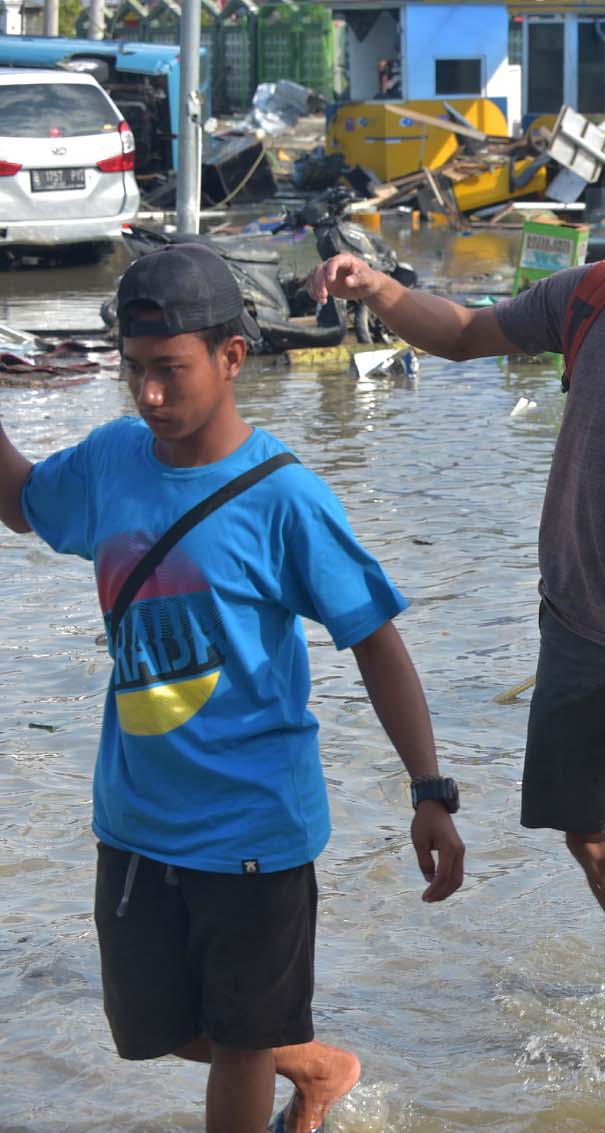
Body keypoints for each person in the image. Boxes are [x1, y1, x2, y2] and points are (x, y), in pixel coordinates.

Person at [306, 122, 605, 1048]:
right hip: (575, 624)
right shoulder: (593, 296)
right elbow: (468, 334)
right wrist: (383, 285)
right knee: (593, 839)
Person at [0, 243, 466, 1133]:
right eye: (134, 372)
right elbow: (22, 501)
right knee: (149, 1031)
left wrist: (429, 792)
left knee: (243, 1041)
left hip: (255, 824)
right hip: (135, 817)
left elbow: (376, 643)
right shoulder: (111, 462)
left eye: (169, 371)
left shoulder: (285, 497)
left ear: (231, 357)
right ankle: (320, 1064)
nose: (149, 396)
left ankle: (278, 1057)